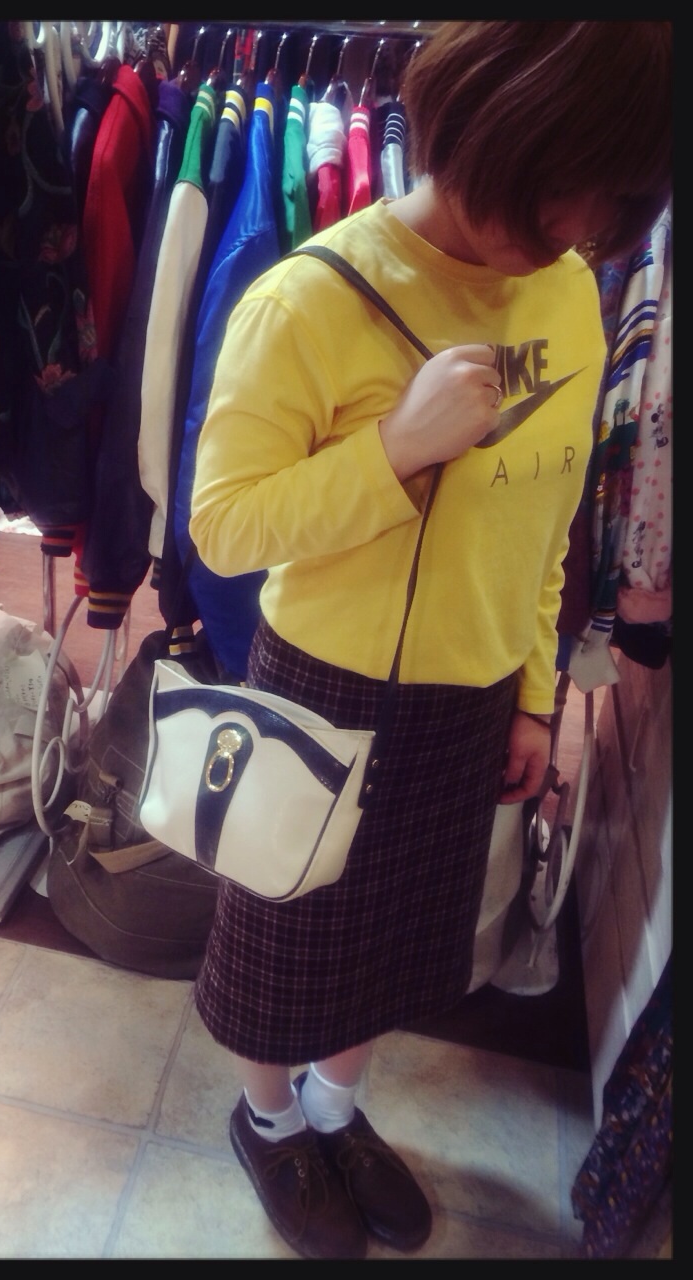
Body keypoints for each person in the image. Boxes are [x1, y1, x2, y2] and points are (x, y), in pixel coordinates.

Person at [186, 21, 672, 1260]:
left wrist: (533, 693)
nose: (587, 227)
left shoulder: (567, 289)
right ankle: (268, 1119)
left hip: (471, 698)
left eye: (615, 204)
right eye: (576, 188)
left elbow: (549, 515)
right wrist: (395, 448)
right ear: (505, 121)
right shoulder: (308, 300)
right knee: (283, 949)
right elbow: (223, 527)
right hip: (325, 686)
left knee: (400, 948)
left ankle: (334, 1109)